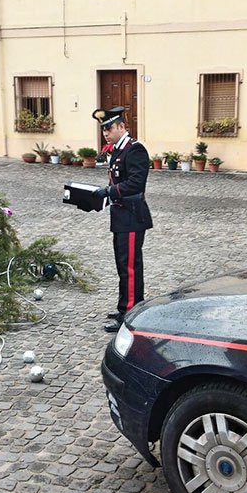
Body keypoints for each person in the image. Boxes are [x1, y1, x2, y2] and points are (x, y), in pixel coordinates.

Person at [90, 106, 153, 333]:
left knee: (130, 267)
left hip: (132, 215)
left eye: (109, 128)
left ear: (122, 127)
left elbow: (135, 184)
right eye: (104, 129)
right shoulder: (118, 149)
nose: (106, 133)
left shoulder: (134, 150)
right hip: (121, 215)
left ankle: (129, 313)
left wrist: (109, 192)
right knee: (122, 265)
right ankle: (125, 306)